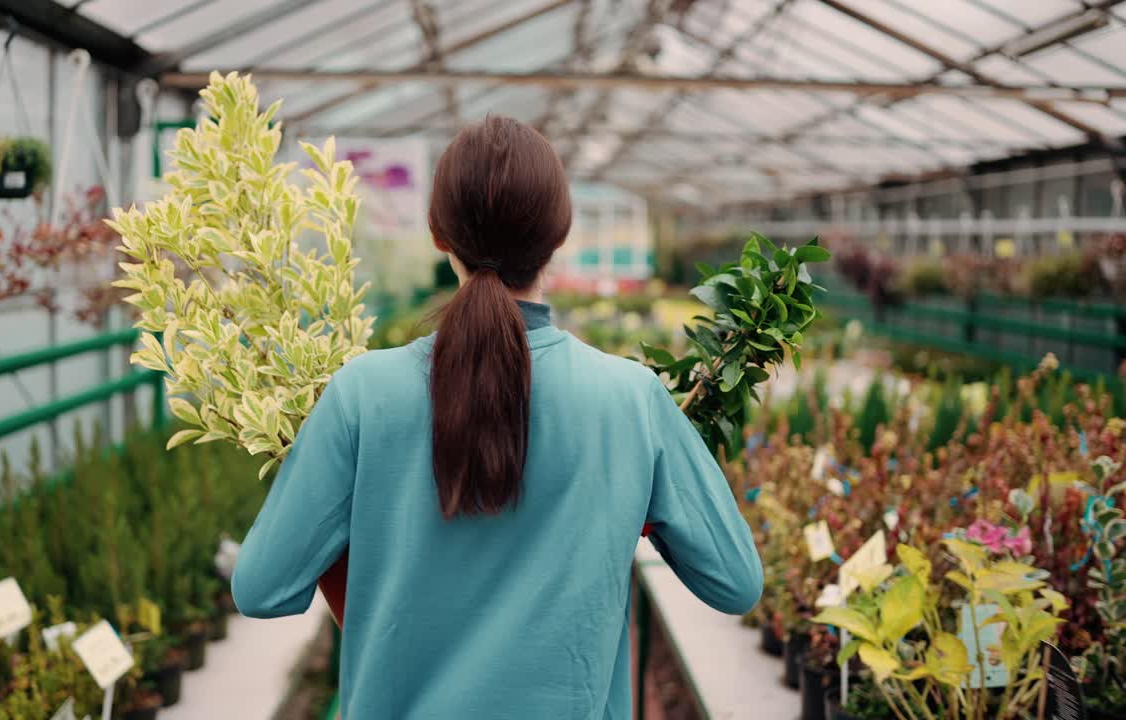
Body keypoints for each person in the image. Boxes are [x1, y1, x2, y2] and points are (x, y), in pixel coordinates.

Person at [230, 116, 763, 719]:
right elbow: (735, 582)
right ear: (560, 237)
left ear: (438, 235)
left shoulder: (362, 393)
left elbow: (261, 588)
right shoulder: (631, 400)